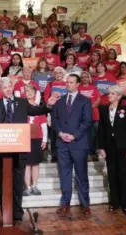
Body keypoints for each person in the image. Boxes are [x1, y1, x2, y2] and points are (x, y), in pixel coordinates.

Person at [0, 77, 57, 222]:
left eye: (10, 86)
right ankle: (5, 213)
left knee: (18, 183)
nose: (8, 89)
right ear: (0, 90)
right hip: (2, 151)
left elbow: (37, 111)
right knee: (3, 183)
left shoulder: (22, 102)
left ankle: (17, 213)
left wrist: (48, 105)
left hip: (20, 149)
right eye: (4, 87)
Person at [52, 74, 93, 216]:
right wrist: (60, 133)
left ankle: (85, 204)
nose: (68, 84)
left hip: (79, 143)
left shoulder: (85, 101)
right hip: (62, 143)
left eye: (71, 82)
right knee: (65, 174)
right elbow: (55, 120)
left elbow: (87, 121)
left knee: (81, 174)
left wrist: (74, 135)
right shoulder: (60, 101)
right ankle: (65, 203)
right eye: (67, 82)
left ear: (78, 84)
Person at [98, 86, 126, 216]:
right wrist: (101, 147)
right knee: (112, 175)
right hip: (109, 147)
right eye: (109, 93)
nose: (109, 95)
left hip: (123, 147)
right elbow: (101, 130)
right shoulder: (103, 109)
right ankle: (115, 202)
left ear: (119, 96)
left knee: (123, 176)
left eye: (112, 93)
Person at [23, 84, 48, 196]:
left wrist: (45, 139)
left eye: (31, 91)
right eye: (27, 91)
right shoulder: (21, 107)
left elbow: (43, 125)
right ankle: (27, 187)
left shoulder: (40, 107)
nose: (29, 93)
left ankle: (34, 186)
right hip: (24, 139)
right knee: (27, 164)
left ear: (35, 93)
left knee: (35, 164)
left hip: (37, 139)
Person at [79, 71, 101, 162]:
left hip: (94, 115)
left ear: (89, 78)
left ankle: (94, 153)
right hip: (82, 116)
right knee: (85, 136)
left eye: (86, 77)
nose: (84, 79)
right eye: (83, 77)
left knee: (94, 135)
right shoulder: (78, 88)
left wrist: (90, 107)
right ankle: (87, 154)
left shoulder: (94, 88)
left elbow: (98, 99)